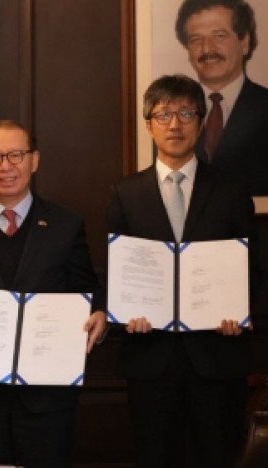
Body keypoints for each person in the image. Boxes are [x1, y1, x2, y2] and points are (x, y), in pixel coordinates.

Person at [0, 120, 107, 466]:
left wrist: (99, 315)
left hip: (48, 396)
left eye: (16, 155)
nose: (6, 166)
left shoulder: (66, 224)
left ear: (34, 160)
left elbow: (87, 291)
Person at [108, 74, 258, 467]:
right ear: (149, 125)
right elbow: (116, 271)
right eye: (164, 115)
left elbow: (252, 267)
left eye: (186, 114)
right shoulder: (125, 193)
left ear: (201, 122)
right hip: (150, 359)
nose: (174, 124)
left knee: (218, 457)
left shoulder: (231, 189)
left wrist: (241, 313)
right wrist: (125, 313)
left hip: (217, 356)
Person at [176, 0, 268, 194]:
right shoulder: (166, 114)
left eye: (219, 36)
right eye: (196, 39)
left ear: (245, 43)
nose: (207, 49)